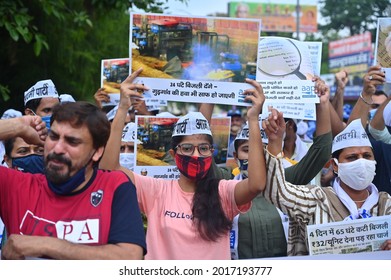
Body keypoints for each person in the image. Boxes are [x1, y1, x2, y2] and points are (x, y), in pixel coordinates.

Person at [100, 68, 266, 259]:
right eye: (187, 148)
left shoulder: (223, 193)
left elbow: (257, 184)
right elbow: (109, 170)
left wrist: (253, 119)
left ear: (211, 153)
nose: (195, 155)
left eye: (203, 148)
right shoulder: (155, 191)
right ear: (173, 153)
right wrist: (122, 108)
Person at [0, 102, 146, 259]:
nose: (57, 149)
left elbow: (130, 257)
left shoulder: (114, 185)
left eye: (72, 141)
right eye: (54, 137)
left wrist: (49, 245)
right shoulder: (16, 186)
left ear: (97, 152)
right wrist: (16, 126)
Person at [231, 77, 332, 259]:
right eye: (247, 150)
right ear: (235, 156)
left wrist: (322, 104)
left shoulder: (286, 178)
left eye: (262, 149)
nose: (255, 157)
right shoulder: (226, 184)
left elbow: (321, 152)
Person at [263, 115, 391, 256]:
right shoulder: (315, 199)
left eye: (367, 156)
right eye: (352, 157)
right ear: (335, 166)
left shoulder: (386, 204)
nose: (361, 163)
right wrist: (275, 142)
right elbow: (276, 192)